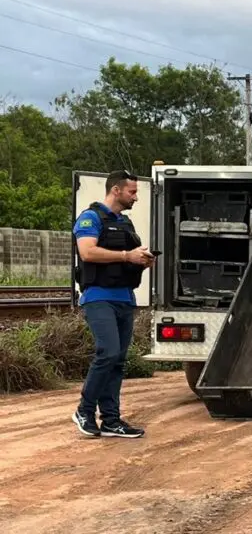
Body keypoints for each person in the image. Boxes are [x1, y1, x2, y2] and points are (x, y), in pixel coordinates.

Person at [70, 170, 153, 438]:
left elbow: (127, 258)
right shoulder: (90, 218)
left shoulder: (125, 223)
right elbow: (87, 251)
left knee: (117, 360)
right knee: (107, 352)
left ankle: (111, 420)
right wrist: (128, 256)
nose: (136, 197)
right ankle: (84, 411)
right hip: (99, 298)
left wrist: (143, 259)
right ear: (116, 190)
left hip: (124, 298)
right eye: (132, 192)